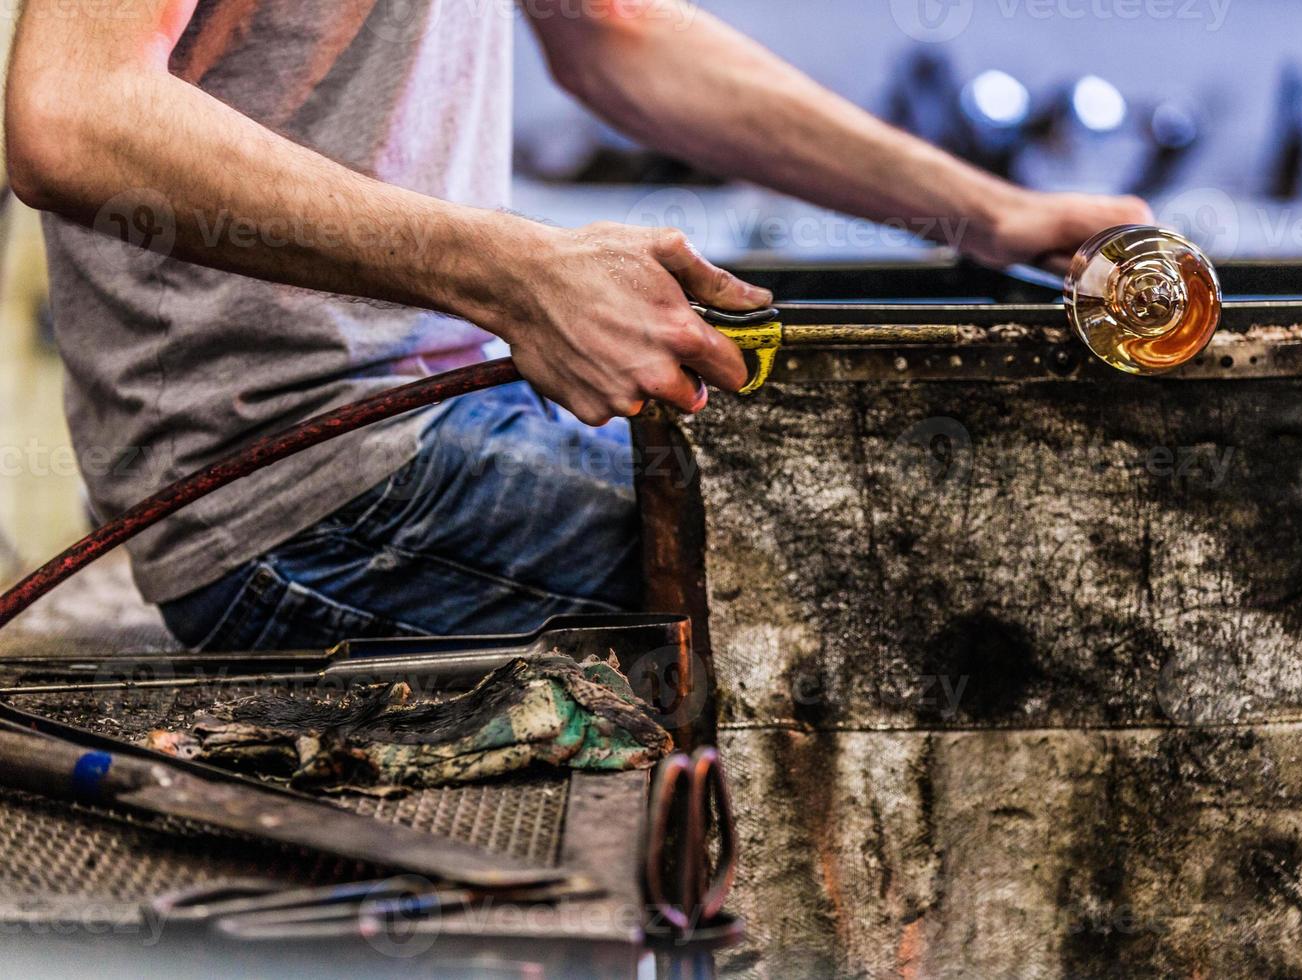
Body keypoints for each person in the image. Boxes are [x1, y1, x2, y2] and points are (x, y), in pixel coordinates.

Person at [4, 0, 1150, 650]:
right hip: (311, 494)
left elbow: (617, 36)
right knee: (955, 583)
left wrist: (981, 210)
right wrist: (510, 271)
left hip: (452, 412)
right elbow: (71, 114)